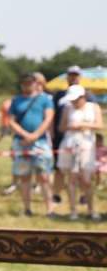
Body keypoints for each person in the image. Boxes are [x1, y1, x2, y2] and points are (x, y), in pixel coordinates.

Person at [6, 73, 55, 216]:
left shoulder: (45, 99)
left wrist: (35, 135)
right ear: (21, 85)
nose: (27, 85)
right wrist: (25, 135)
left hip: (41, 143)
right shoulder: (16, 101)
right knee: (24, 177)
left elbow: (48, 119)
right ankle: (27, 208)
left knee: (44, 176)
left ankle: (50, 209)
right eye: (25, 83)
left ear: (35, 83)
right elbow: (11, 121)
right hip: (21, 143)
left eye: (30, 83)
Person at [58, 84, 103, 220]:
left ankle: (91, 209)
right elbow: (61, 127)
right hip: (70, 145)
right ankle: (73, 211)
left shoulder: (93, 107)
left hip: (87, 146)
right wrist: (70, 127)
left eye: (76, 99)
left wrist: (83, 125)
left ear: (83, 97)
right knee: (72, 178)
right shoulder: (67, 108)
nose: (73, 102)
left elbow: (100, 125)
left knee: (87, 179)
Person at [51, 66, 83, 203]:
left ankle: (83, 195)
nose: (73, 77)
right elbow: (53, 115)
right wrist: (52, 132)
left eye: (76, 75)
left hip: (81, 138)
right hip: (60, 136)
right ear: (67, 76)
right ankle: (57, 194)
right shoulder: (59, 95)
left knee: (81, 167)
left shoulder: (88, 95)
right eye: (71, 75)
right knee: (59, 167)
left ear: (80, 77)